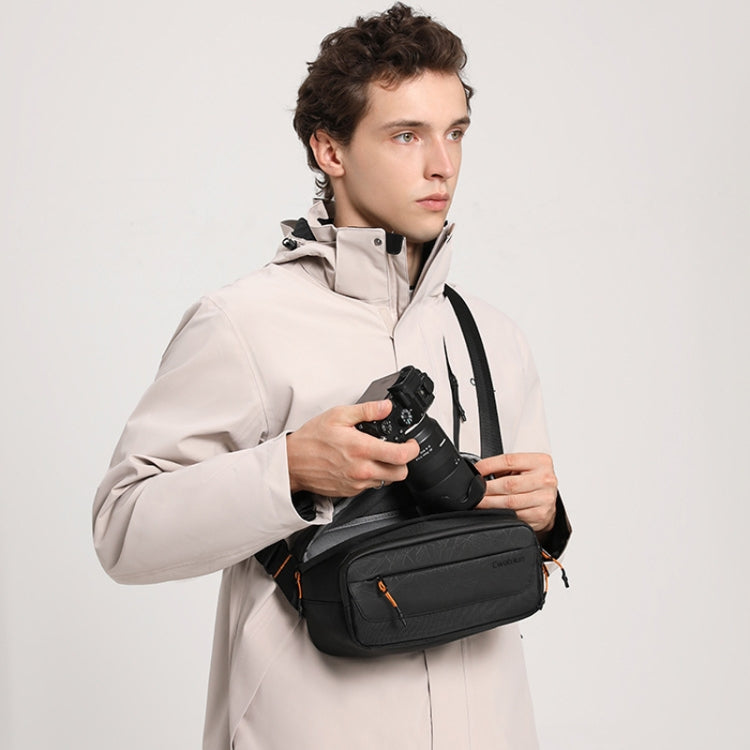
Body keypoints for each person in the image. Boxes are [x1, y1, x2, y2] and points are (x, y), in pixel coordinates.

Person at [93, 4, 570, 748]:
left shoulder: (493, 336)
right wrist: (288, 471)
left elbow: (519, 561)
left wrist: (549, 519)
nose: (441, 165)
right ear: (330, 149)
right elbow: (123, 531)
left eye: (455, 133)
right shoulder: (244, 323)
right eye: (406, 135)